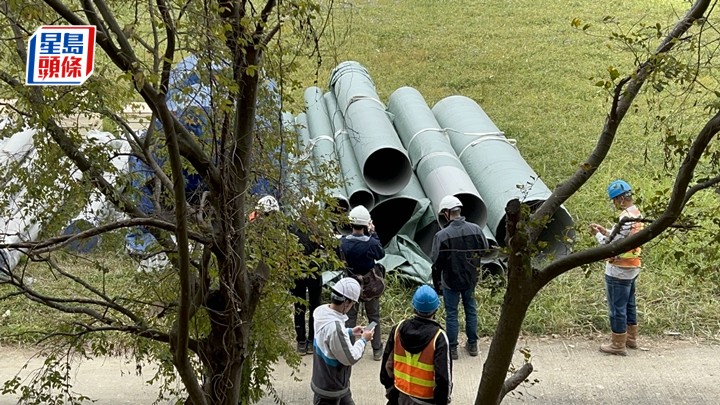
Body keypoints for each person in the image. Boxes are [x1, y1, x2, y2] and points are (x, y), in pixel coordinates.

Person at [590, 179, 644, 356]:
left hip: (618, 269)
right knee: (629, 304)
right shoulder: (636, 213)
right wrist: (606, 230)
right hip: (633, 266)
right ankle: (631, 338)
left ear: (620, 199)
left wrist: (598, 235)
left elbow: (611, 245)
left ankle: (617, 344)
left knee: (617, 308)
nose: (614, 204)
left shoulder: (624, 217)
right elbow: (620, 237)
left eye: (614, 200)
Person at [431, 195, 489, 360]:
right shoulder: (476, 229)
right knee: (471, 310)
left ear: (448, 213)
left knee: (452, 313)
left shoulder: (442, 236)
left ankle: (453, 349)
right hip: (470, 279)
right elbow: (484, 250)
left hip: (450, 281)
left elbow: (436, 261)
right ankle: (472, 345)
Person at [380, 285, 452, 405]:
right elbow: (444, 379)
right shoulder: (439, 337)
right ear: (436, 309)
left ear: (414, 307)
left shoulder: (398, 329)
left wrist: (390, 389)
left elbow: (387, 364)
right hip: (426, 399)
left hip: (400, 395)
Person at [312, 277, 375, 404]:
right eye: (352, 304)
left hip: (327, 382)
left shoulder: (321, 312)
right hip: (331, 389)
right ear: (346, 302)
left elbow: (328, 338)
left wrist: (350, 331)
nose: (351, 307)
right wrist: (363, 340)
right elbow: (350, 357)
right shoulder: (335, 327)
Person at [340, 205, 385, 361]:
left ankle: (350, 348)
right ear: (366, 224)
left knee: (350, 316)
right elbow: (380, 253)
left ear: (351, 224)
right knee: (374, 316)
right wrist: (373, 232)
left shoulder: (343, 243)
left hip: (350, 284)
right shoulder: (371, 243)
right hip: (369, 284)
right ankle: (377, 349)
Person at [290, 220, 324, 355]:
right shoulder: (318, 229)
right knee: (315, 306)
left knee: (299, 307)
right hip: (315, 271)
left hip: (297, 272)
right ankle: (312, 340)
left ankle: (301, 341)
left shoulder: (292, 229)